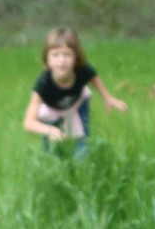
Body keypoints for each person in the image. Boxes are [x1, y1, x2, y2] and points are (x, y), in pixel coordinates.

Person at [23, 27, 128, 156]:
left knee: (82, 144)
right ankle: (53, 160)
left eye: (67, 54)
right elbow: (28, 122)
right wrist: (51, 130)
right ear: (47, 60)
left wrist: (108, 97)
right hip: (51, 110)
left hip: (77, 104)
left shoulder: (82, 70)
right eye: (55, 55)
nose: (62, 60)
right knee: (52, 151)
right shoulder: (43, 84)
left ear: (76, 58)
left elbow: (93, 78)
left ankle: (81, 162)